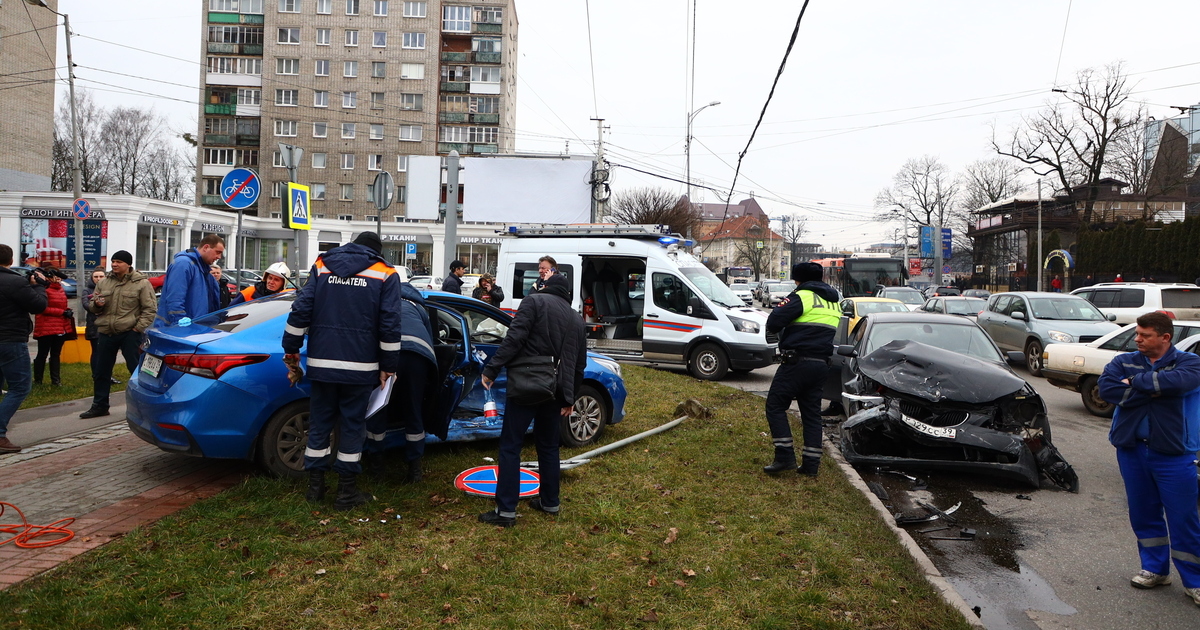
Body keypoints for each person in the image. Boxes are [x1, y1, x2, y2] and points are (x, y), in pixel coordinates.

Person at [283, 231, 402, 511]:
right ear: (376, 252)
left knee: (320, 423)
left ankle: (315, 488)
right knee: (352, 426)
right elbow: (390, 324)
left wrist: (291, 347)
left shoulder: (322, 265)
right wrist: (389, 366)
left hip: (322, 363)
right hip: (360, 367)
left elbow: (301, 309)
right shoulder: (385, 273)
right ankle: (346, 493)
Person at [1098, 311, 1200, 607]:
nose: (1138, 339)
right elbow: (1108, 389)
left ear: (1165, 337)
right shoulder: (1123, 360)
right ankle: (1155, 569)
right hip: (1132, 449)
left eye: (1145, 335)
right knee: (1143, 513)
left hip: (1173, 453)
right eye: (1137, 334)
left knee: (1183, 518)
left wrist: (1136, 383)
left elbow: (1180, 383)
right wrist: (1154, 388)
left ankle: (1194, 581)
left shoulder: (1190, 362)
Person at [478, 273, 586, 527]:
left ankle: (505, 511)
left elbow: (514, 338)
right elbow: (578, 364)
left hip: (528, 385)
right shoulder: (576, 319)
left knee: (510, 445)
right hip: (556, 391)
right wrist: (570, 397)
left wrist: (492, 369)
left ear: (546, 288)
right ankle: (550, 502)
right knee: (548, 447)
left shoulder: (533, 302)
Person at [762, 262, 841, 476]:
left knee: (776, 405)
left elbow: (774, 322)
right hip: (821, 364)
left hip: (797, 362)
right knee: (812, 414)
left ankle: (785, 456)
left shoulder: (802, 296)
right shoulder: (834, 301)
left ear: (799, 279)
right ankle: (810, 466)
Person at [365, 279, 437, 483]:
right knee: (413, 410)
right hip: (418, 358)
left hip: (389, 356)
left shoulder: (382, 303)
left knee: (378, 408)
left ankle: (377, 467)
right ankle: (414, 469)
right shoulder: (419, 307)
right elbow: (431, 340)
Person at [80, 250, 157, 420]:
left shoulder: (141, 283)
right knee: (101, 371)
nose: (114, 264)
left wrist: (138, 329)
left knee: (135, 370)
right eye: (113, 261)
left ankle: (144, 406)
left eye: (119, 262)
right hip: (106, 332)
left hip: (130, 333)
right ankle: (100, 405)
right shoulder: (104, 283)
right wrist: (97, 304)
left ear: (128, 264)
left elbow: (150, 309)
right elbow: (93, 306)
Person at [0, 244, 49, 453]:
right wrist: (39, 286)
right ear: (11, 261)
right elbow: (38, 306)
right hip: (10, 340)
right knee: (20, 387)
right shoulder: (14, 282)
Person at [155, 234, 224, 327]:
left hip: (196, 329)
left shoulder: (202, 268)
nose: (219, 257)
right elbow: (175, 298)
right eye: (218, 252)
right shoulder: (184, 264)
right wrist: (180, 323)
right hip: (182, 331)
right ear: (206, 247)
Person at [31, 265, 75, 386]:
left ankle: (56, 380)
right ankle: (38, 381)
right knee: (42, 354)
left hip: (60, 326)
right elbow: (42, 308)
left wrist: (68, 310)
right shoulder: (43, 289)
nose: (58, 278)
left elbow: (61, 305)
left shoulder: (60, 289)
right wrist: (62, 312)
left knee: (56, 354)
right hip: (46, 326)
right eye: (55, 275)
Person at [84, 267, 120, 385]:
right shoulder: (87, 290)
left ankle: (108, 376)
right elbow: (87, 305)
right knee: (97, 352)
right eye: (96, 277)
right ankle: (96, 376)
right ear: (92, 278)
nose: (98, 279)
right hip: (94, 325)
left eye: (101, 276)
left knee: (108, 353)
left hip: (109, 325)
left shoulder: (110, 288)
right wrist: (96, 304)